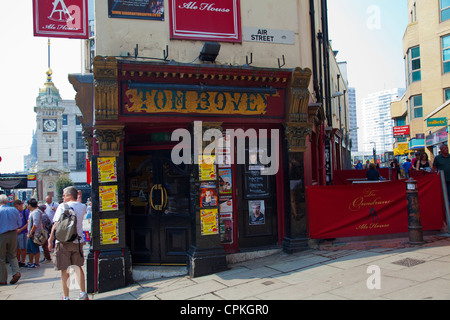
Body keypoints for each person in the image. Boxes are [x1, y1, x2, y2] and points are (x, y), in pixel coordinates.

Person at [49, 186, 88, 300]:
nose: (63, 197)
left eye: (64, 195)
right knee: (78, 267)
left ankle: (66, 297)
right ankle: (83, 293)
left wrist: (51, 239)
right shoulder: (82, 206)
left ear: (69, 195)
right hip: (78, 242)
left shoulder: (62, 206)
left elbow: (56, 224)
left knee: (64, 270)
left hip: (63, 242)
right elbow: (78, 207)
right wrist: (79, 197)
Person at [0, 195, 21, 285]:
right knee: (12, 255)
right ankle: (16, 272)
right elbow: (19, 223)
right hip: (13, 234)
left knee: (1, 258)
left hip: (2, 235)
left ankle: (2, 279)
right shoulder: (14, 210)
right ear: (7, 201)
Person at [25, 199, 43, 269]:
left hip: (34, 234)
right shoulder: (32, 212)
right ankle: (31, 262)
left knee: (35, 249)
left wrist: (31, 232)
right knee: (30, 249)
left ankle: (36, 263)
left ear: (30, 205)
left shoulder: (36, 212)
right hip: (30, 234)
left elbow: (35, 225)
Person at [13, 200, 29, 268]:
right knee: (17, 248)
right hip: (16, 231)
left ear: (21, 205)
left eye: (17, 206)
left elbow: (28, 222)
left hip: (23, 232)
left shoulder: (25, 211)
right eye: (15, 207)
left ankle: (23, 261)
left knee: (23, 247)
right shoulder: (15, 212)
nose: (16, 208)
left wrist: (21, 229)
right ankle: (18, 261)